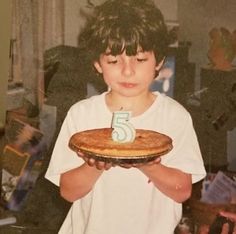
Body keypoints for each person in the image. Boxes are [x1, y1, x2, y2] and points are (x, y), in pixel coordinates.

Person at [45, 0, 206, 233]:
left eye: (140, 59)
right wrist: (96, 164)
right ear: (98, 64)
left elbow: (182, 191)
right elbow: (68, 191)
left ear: (158, 61)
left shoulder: (175, 117)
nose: (127, 70)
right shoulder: (82, 115)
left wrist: (148, 163)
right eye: (113, 60)